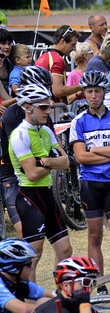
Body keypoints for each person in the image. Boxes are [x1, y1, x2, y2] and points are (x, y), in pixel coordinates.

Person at [69, 71, 110, 293]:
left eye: (97, 91)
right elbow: (81, 157)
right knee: (94, 237)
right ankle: (100, 284)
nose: (93, 96)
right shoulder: (78, 121)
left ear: (104, 92)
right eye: (89, 92)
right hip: (90, 183)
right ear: (84, 94)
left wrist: (95, 149)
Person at [9, 84, 72, 281]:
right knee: (33, 256)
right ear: (28, 107)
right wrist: (51, 162)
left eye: (49, 106)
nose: (48, 111)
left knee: (65, 249)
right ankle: (29, 304)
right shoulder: (20, 135)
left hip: (48, 195)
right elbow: (32, 174)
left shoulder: (46, 131)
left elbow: (66, 162)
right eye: (43, 107)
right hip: (29, 196)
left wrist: (45, 161)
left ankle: (60, 297)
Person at [0, 66, 54, 240]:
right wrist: (49, 161)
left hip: (38, 176)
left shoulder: (43, 113)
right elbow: (24, 157)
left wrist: (49, 161)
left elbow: (55, 152)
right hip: (12, 175)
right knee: (26, 234)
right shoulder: (10, 115)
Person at [21, 256, 110, 313]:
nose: (88, 289)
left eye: (92, 284)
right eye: (84, 283)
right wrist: (85, 305)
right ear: (66, 285)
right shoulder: (55, 311)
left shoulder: (76, 306)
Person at [0, 238, 55, 313]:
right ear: (15, 267)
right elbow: (24, 310)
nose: (32, 269)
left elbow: (53, 296)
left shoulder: (19, 283)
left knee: (44, 301)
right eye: (29, 265)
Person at [34, 25, 80, 103]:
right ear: (62, 41)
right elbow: (58, 91)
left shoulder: (44, 56)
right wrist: (81, 87)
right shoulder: (57, 59)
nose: (74, 49)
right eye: (72, 45)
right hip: (51, 109)